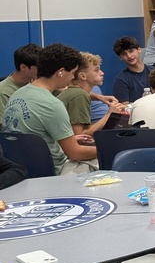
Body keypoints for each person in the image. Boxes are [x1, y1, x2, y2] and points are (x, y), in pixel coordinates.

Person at [2, 43, 98, 175]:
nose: (72, 78)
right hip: (54, 172)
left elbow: (30, 137)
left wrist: (68, 139)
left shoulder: (17, 94)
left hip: (23, 169)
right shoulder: (52, 105)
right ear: (61, 72)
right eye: (72, 73)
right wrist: (107, 149)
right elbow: (74, 153)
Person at [58, 53, 126, 136]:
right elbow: (80, 136)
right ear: (83, 76)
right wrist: (109, 115)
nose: (102, 73)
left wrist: (100, 98)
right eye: (96, 70)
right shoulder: (80, 95)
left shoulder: (74, 92)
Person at [0, 43, 40, 110]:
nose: (42, 69)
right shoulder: (3, 92)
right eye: (38, 67)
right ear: (23, 67)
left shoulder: (35, 81)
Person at [111, 36, 152, 102]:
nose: (129, 56)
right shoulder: (121, 80)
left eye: (131, 51)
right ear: (120, 58)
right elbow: (123, 107)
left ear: (139, 50)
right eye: (124, 54)